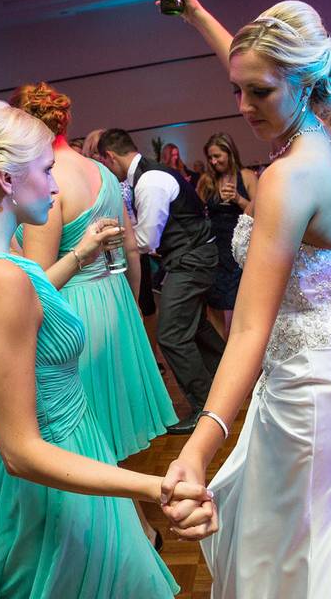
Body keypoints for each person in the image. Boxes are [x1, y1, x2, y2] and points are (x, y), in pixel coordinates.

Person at [157, 0, 331, 598]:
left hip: (313, 383)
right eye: (237, 90)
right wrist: (197, 15)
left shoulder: (284, 177)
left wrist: (198, 449)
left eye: (259, 93)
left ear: (303, 83)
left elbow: (249, 327)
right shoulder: (321, 136)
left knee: (300, 542)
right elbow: (259, 64)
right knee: (311, 536)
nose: (245, 106)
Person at [0, 99, 210, 597]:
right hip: (57, 469)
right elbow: (22, 450)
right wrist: (153, 487)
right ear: (7, 180)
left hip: (46, 459)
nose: (56, 185)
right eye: (46, 169)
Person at [10, 82, 178, 547]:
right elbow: (132, 250)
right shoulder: (100, 172)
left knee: (88, 430)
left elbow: (41, 279)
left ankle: (130, 532)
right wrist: (130, 307)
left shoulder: (45, 179)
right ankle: (135, 527)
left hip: (75, 309)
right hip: (116, 304)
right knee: (112, 423)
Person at [97, 128, 226, 434]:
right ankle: (227, 382)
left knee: (170, 334)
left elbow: (146, 239)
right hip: (193, 257)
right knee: (194, 326)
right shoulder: (147, 175)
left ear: (110, 157)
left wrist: (110, 236)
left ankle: (205, 407)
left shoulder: (151, 181)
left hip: (191, 259)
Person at [197, 132, 258, 338]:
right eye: (210, 158)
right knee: (214, 303)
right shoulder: (207, 181)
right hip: (215, 249)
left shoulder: (247, 176)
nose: (213, 162)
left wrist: (238, 199)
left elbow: (260, 212)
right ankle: (219, 355)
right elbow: (198, 213)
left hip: (240, 250)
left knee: (240, 304)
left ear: (229, 153)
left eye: (217, 156)